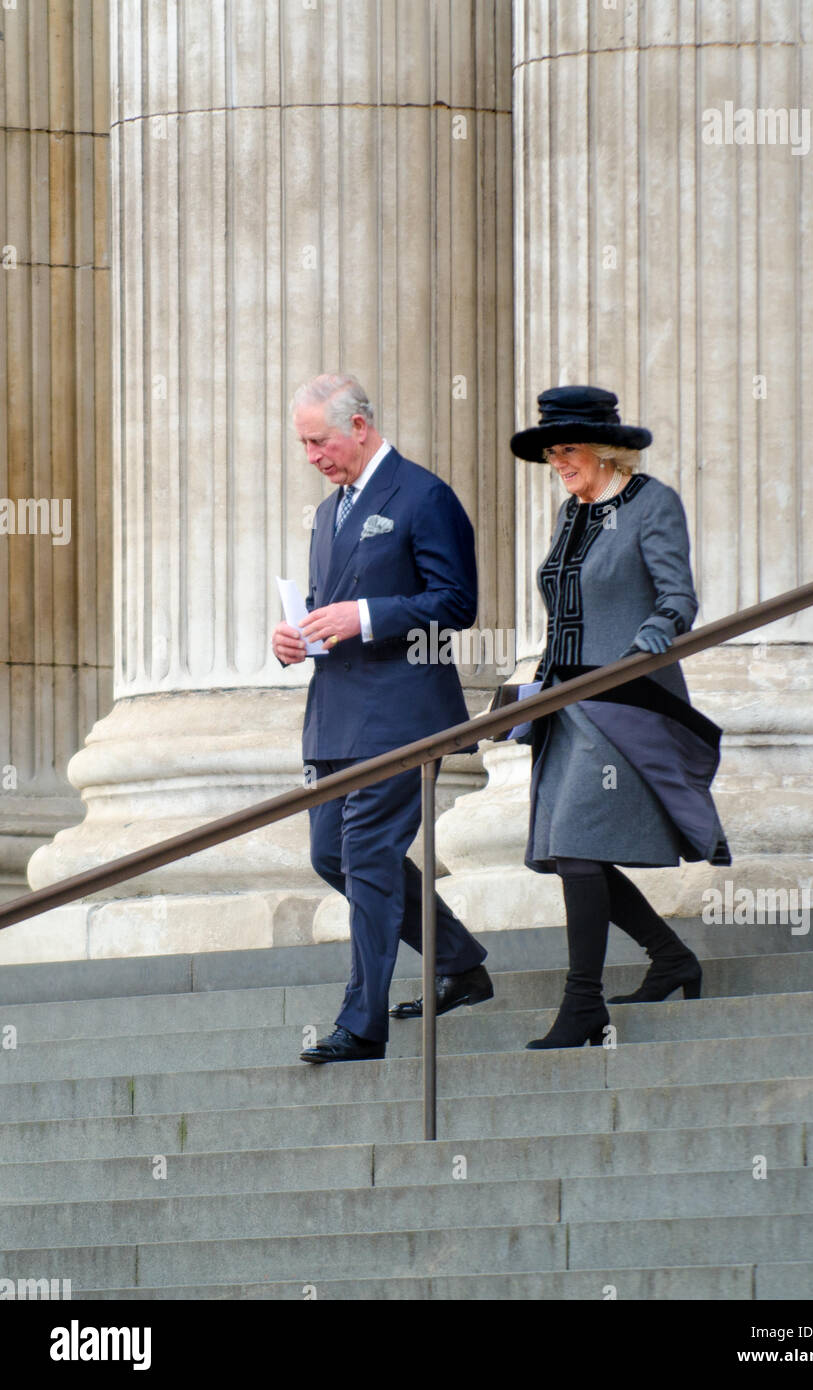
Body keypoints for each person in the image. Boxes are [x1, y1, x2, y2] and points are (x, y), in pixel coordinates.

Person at [273, 373, 492, 1063]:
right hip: (334, 715)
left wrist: (364, 616)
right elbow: (326, 607)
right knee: (330, 854)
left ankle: (361, 1024)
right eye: (304, 443)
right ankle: (461, 960)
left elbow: (456, 603)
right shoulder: (327, 512)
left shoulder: (425, 496)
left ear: (360, 426)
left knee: (366, 854)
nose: (312, 455)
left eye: (320, 441)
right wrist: (293, 638)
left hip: (402, 714)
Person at [508, 385, 731, 1050]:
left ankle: (584, 1006)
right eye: (551, 451)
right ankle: (670, 957)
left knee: (577, 845)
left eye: (567, 448)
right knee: (572, 850)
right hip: (564, 704)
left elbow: (677, 595)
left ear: (606, 449)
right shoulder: (568, 514)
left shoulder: (652, 503)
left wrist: (657, 632)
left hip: (623, 701)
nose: (558, 461)